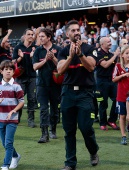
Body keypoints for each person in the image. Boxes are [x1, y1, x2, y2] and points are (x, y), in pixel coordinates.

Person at [57, 20, 99, 170]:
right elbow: (60, 70)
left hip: (85, 93)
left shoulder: (89, 48)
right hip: (67, 92)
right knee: (69, 130)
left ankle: (93, 151)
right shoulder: (63, 51)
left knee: (85, 127)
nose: (76, 32)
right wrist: (70, 56)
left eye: (78, 30)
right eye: (73, 30)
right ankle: (70, 163)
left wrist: (80, 54)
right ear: (67, 34)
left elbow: (91, 67)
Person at [32, 28, 62, 143]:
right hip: (42, 84)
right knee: (43, 109)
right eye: (39, 37)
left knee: (54, 109)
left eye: (42, 36)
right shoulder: (38, 51)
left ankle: (53, 130)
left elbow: (61, 66)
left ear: (49, 37)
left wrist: (53, 58)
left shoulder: (58, 49)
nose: (40, 38)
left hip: (55, 84)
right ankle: (44, 134)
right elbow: (34, 67)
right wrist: (45, 60)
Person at [0, 60, 24, 170]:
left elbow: (22, 101)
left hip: (12, 119)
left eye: (10, 69)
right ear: (1, 71)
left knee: (8, 143)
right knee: (5, 144)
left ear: (13, 72)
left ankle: (5, 165)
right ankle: (15, 156)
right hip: (1, 119)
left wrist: (14, 110)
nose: (8, 71)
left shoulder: (17, 86)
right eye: (6, 69)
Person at [112, 45, 129, 145]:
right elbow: (113, 79)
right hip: (121, 96)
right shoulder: (118, 66)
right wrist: (123, 75)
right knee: (122, 116)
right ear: (122, 55)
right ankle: (123, 136)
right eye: (126, 53)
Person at [12, 28, 37, 127]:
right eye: (29, 34)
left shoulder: (35, 48)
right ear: (25, 36)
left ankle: (31, 120)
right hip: (20, 77)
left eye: (32, 34)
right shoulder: (18, 47)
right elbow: (13, 62)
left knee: (31, 99)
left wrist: (32, 57)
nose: (31, 36)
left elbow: (37, 63)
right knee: (19, 99)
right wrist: (20, 57)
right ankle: (17, 118)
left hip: (32, 77)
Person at [96, 37, 120, 131]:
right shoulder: (98, 54)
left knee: (117, 99)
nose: (110, 43)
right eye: (108, 42)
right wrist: (115, 55)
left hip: (112, 81)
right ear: (102, 44)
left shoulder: (111, 54)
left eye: (110, 41)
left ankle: (112, 120)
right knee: (103, 102)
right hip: (102, 81)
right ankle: (103, 123)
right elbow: (105, 65)